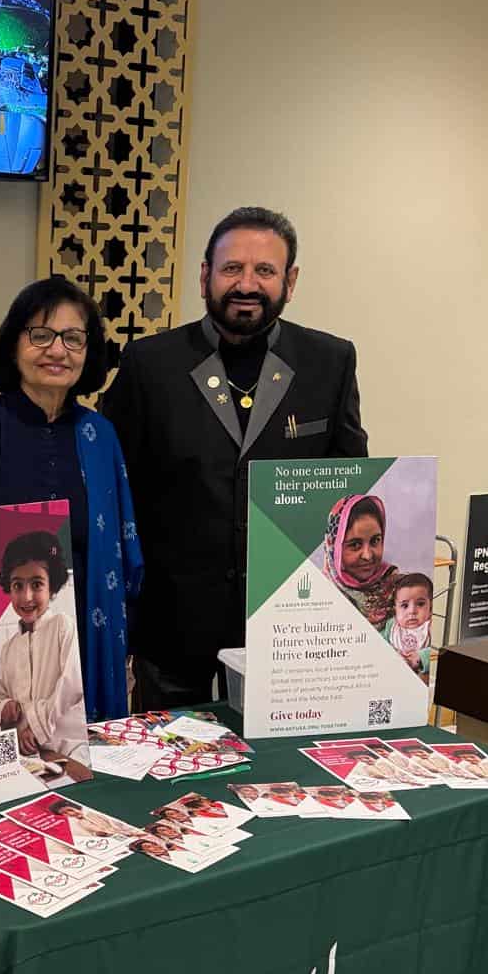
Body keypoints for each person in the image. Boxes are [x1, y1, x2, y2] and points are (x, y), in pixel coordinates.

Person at [104, 206, 368, 707]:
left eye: (264, 271)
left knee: (278, 777)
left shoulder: (330, 362)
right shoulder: (149, 364)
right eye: (232, 269)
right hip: (171, 623)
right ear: (205, 276)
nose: (246, 284)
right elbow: (117, 495)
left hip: (289, 624)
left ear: (290, 282)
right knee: (174, 776)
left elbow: (349, 485)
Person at [0, 277, 143, 721]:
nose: (57, 350)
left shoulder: (99, 435)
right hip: (0, 640)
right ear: (13, 345)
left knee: (85, 777)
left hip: (88, 636)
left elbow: (124, 554)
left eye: (73, 338)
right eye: (40, 335)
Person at [0, 531, 86, 761]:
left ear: (52, 586)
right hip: (25, 753)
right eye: (17, 586)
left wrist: (35, 727)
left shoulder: (63, 627)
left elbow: (71, 687)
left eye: (36, 584)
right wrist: (4, 707)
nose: (26, 597)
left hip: (65, 747)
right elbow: (0, 696)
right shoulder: (8, 648)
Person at [324, 494, 400, 629]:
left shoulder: (401, 589)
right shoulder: (321, 595)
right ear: (334, 548)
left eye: (375, 541)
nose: (367, 555)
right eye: (355, 545)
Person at [385, 570, 433, 680]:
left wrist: (420, 657)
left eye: (420, 604)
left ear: (430, 607)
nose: (412, 611)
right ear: (395, 609)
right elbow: (377, 645)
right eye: (404, 605)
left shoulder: (429, 626)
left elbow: (438, 650)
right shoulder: (392, 626)